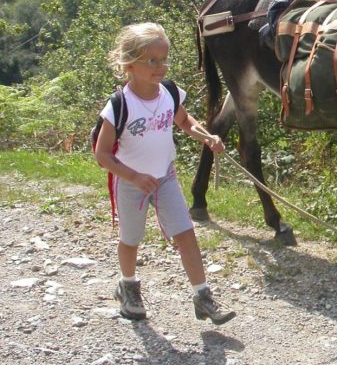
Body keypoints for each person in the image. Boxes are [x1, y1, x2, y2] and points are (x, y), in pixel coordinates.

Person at [93, 22, 236, 325]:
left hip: (165, 177)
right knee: (131, 239)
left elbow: (184, 121)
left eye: (164, 59)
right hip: (133, 184)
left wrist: (206, 136)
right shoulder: (119, 105)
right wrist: (132, 177)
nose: (160, 67)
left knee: (186, 234)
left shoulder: (169, 92)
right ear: (129, 64)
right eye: (152, 61)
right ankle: (128, 286)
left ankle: (203, 295)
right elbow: (102, 154)